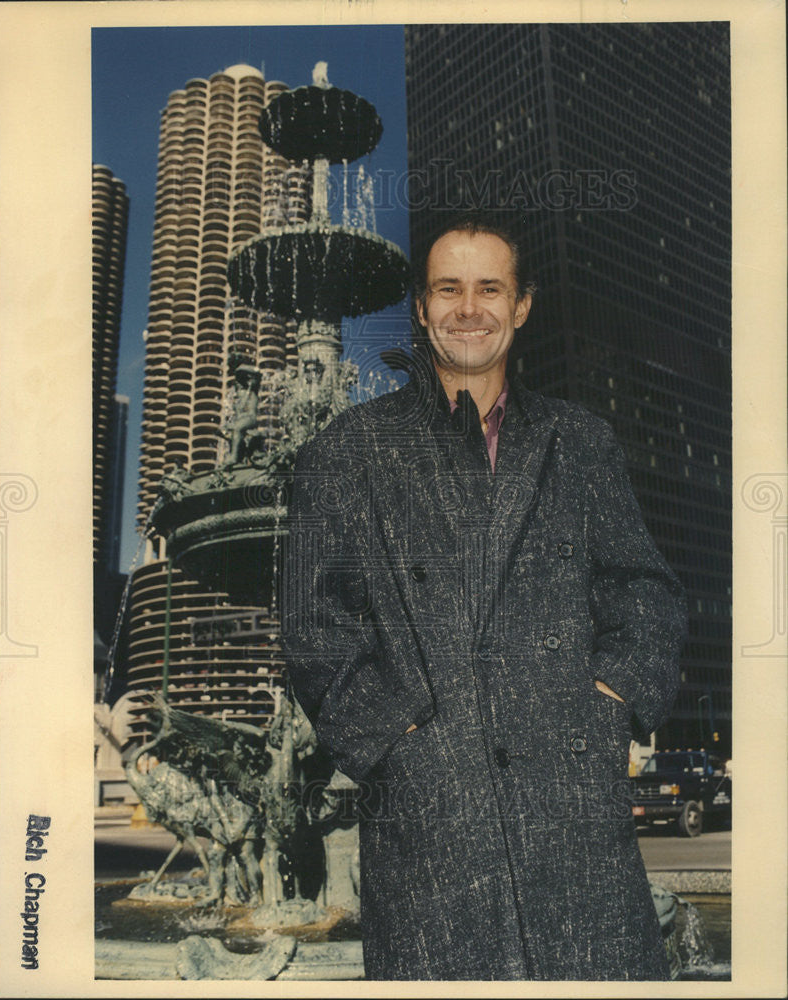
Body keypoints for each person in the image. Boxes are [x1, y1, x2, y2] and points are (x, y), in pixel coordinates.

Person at [281, 214, 687, 981]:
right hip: (430, 825)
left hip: (574, 817)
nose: (469, 309)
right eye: (448, 289)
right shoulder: (344, 452)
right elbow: (314, 631)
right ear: (422, 307)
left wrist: (610, 703)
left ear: (521, 305)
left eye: (489, 288)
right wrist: (400, 746)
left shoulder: (581, 440)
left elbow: (646, 592)